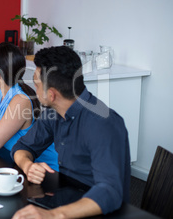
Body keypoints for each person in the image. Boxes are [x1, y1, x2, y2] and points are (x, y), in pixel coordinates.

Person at [11, 46, 131, 218]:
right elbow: (23, 146)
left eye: (36, 84)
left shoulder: (103, 124)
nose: (34, 89)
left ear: (51, 94)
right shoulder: (55, 112)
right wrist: (27, 165)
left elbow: (109, 192)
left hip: (97, 209)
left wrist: (53, 215)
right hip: (66, 197)